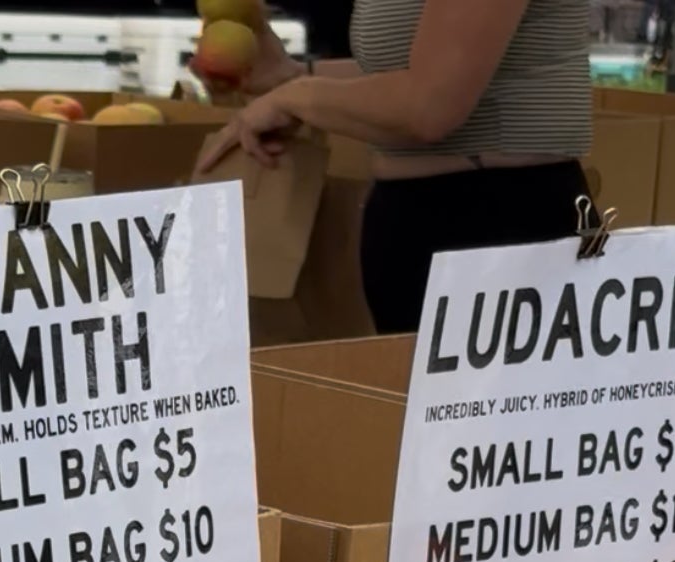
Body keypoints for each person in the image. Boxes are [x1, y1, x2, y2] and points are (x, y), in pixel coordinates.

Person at [197, 1, 594, 335]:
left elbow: (430, 106)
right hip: (432, 228)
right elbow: (415, 71)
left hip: (497, 230)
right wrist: (294, 78)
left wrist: (298, 98)